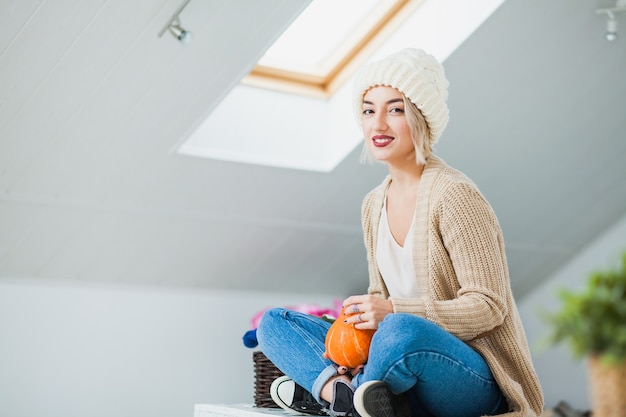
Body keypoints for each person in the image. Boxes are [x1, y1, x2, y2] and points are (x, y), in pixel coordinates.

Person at [256, 48, 544, 417]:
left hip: (470, 378)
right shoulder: (373, 203)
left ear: (421, 117)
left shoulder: (454, 195)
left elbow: (489, 307)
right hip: (398, 362)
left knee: (398, 331)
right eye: (368, 110)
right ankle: (351, 396)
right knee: (275, 325)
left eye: (395, 109)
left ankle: (331, 395)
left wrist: (392, 310)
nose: (378, 125)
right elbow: (380, 294)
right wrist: (358, 335)